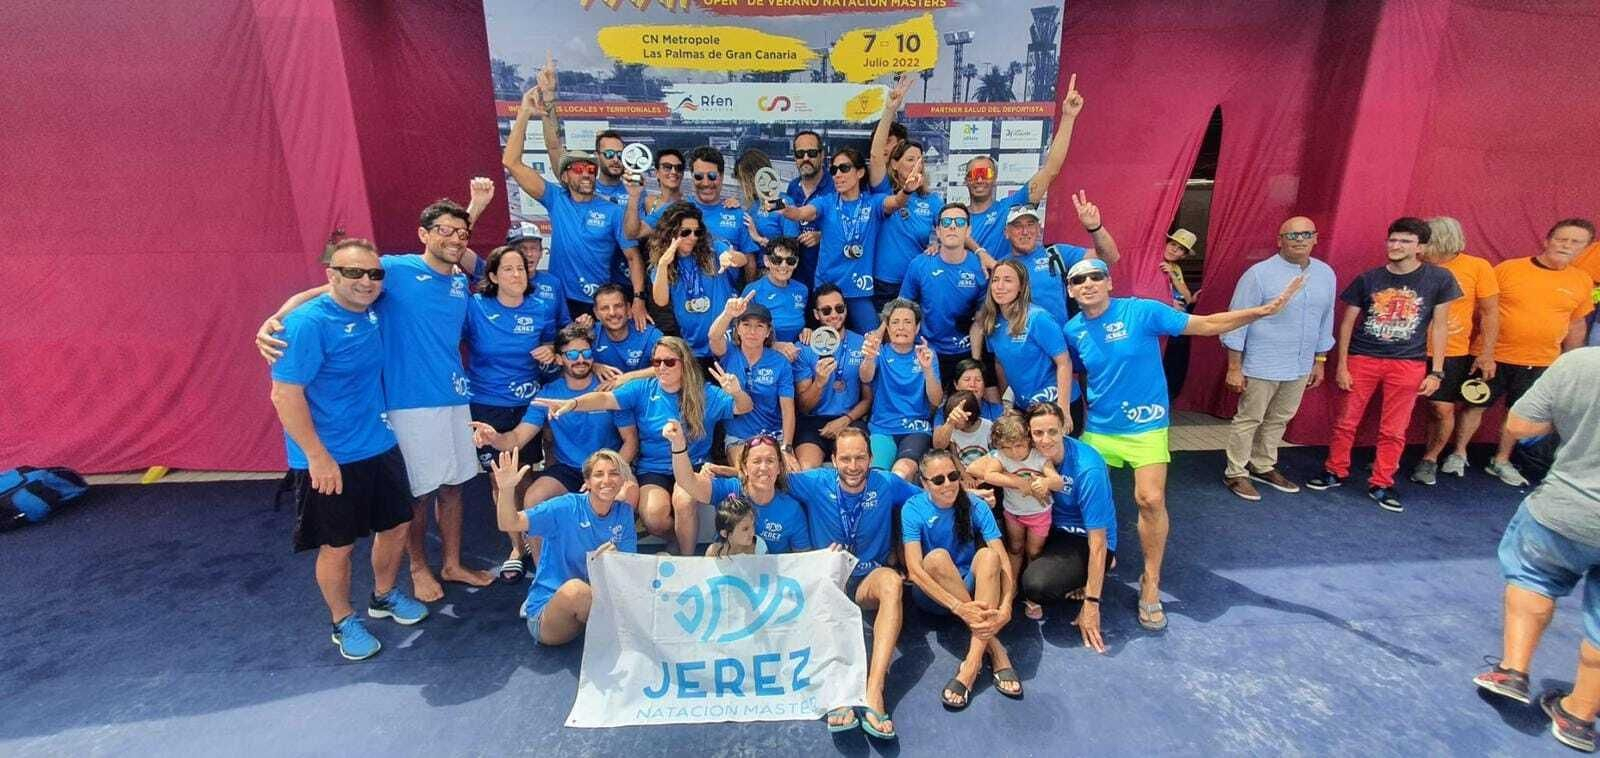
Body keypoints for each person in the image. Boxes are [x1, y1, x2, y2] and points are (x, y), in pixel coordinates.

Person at [256, 200, 497, 601]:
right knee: (416, 496)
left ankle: (452, 565)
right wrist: (273, 320)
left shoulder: (459, 279)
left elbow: (482, 263)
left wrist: (474, 210)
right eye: (443, 230)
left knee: (454, 487)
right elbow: (320, 292)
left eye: (461, 233)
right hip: (409, 403)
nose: (454, 238)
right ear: (423, 234)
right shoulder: (395, 269)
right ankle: (419, 568)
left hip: (454, 395)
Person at [1066, 256, 1303, 631]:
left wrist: (1263, 310)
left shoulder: (1142, 312)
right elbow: (1077, 372)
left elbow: (1207, 325)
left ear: (1109, 282)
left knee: (1150, 499)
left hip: (1146, 427)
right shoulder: (1073, 329)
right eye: (1079, 280)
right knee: (1080, 496)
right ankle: (1095, 563)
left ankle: (1151, 581)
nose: (1088, 284)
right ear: (1071, 291)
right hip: (1100, 428)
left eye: (1096, 277)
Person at [268, 238, 426, 661]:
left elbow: (341, 290)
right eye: (353, 272)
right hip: (329, 457)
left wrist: (285, 304)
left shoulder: (369, 307)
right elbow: (284, 396)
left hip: (378, 443)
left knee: (395, 526)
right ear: (331, 274)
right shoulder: (306, 325)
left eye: (374, 273)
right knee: (338, 545)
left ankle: (385, 595)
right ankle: (342, 620)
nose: (366, 281)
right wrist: (317, 456)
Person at [1474, 348, 1600, 753]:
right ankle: (1579, 715)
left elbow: (1522, 424)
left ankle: (1513, 671)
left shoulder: (1581, 364)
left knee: (1534, 577)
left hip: (1565, 510)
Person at [536, 336, 751, 556]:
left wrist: (736, 392)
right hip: (654, 468)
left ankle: (686, 561)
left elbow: (743, 408)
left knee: (684, 502)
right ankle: (677, 540)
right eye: (656, 362)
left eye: (669, 362)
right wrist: (573, 403)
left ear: (684, 363)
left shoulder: (704, 393)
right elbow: (604, 399)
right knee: (653, 517)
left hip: (693, 465)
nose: (662, 367)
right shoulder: (643, 389)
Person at [1305, 218, 1460, 511]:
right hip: (1363, 359)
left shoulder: (1440, 279)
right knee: (1346, 421)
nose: (1396, 246)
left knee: (1394, 430)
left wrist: (1436, 371)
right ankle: (1335, 470)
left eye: (1405, 241)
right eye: (1393, 240)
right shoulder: (1369, 279)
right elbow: (1348, 322)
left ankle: (1382, 481)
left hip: (1408, 363)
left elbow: (1439, 327)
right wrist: (1342, 365)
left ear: (1421, 247)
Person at [471, 323, 640, 582]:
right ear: (560, 359)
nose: (580, 359)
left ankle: (620, 576)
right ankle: (545, 579)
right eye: (572, 355)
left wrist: (615, 473)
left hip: (608, 468)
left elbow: (630, 442)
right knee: (533, 498)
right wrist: (495, 438)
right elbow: (517, 437)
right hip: (569, 469)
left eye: (585, 353)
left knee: (627, 494)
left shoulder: (609, 389)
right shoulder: (548, 394)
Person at [787, 428, 921, 739]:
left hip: (865, 582)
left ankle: (874, 693)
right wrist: (722, 470)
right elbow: (762, 480)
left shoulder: (885, 483)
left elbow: (932, 497)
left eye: (860, 457)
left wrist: (973, 494)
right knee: (820, 587)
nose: (853, 465)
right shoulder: (813, 482)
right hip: (828, 582)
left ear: (871, 459)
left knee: (891, 582)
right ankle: (838, 696)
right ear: (832, 460)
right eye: (845, 458)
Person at [502, 84, 645, 323]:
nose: (587, 173)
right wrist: (524, 112)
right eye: (578, 169)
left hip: (599, 303)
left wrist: (639, 300)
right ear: (565, 176)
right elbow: (511, 162)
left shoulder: (613, 211)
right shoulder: (555, 198)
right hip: (561, 300)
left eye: (591, 168)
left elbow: (633, 257)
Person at [463, 245, 564, 580]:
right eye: (507, 269)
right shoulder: (475, 307)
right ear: (492, 276)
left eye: (521, 268)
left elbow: (553, 349)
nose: (516, 274)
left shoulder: (541, 306)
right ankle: (516, 547)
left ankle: (535, 541)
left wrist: (552, 351)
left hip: (529, 404)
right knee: (499, 479)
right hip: (489, 403)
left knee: (529, 478)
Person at [1471, 218, 1596, 488]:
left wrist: (1569, 364)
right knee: (1474, 405)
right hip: (1495, 355)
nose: (1567, 245)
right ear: (1547, 240)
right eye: (1562, 239)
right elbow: (1484, 309)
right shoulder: (1509, 269)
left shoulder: (1582, 281)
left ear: (1585, 248)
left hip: (1541, 360)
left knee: (1519, 412)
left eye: (1576, 242)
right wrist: (1485, 350)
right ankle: (1457, 454)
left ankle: (1501, 460)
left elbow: (1576, 324)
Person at [1219, 216, 1337, 501]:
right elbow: (1237, 320)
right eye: (1292, 235)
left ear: (1315, 239)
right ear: (1279, 240)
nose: (1299, 240)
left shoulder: (1325, 274)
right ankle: (1235, 472)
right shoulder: (1259, 274)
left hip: (1300, 363)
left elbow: (1326, 318)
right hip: (1262, 361)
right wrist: (1234, 367)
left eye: (1306, 234)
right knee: (1250, 418)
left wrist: (1319, 360)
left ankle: (1263, 464)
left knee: (1280, 418)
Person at [900, 449, 1019, 710]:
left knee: (988, 556)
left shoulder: (976, 506)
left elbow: (1002, 558)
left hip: (969, 589)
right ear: (924, 483)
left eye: (953, 476)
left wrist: (1007, 605)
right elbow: (915, 570)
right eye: (938, 480)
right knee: (937, 558)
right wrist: (958, 607)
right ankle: (996, 649)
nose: (948, 484)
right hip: (935, 596)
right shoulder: (913, 509)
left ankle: (971, 664)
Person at [492, 447, 636, 646]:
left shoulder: (624, 512)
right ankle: (629, 644)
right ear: (586, 482)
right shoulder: (564, 507)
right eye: (598, 474)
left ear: (622, 480)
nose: (607, 480)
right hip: (548, 615)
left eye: (614, 473)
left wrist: (617, 556)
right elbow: (510, 523)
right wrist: (506, 490)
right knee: (576, 591)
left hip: (596, 604)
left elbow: (629, 568)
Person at [1018, 404, 1116, 653]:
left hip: (1080, 535)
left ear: (1064, 429)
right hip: (1047, 523)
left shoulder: (1087, 467)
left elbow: (1098, 541)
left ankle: (1097, 572)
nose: (1045, 440)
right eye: (1038, 433)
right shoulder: (1026, 452)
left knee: (1036, 585)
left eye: (1052, 431)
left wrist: (1092, 603)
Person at [1411, 216, 1499, 485]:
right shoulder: (1416, 264)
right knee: (1400, 405)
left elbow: (1490, 313)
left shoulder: (1477, 267)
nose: (1421, 249)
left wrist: (1486, 352)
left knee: (1441, 408)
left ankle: (1430, 459)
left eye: (1427, 243)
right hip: (1409, 348)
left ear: (1443, 242)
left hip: (1451, 351)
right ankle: (1388, 454)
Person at [965, 74, 1085, 259]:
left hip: (1003, 286)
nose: (980, 178)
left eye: (985, 172)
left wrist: (1068, 117)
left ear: (995, 178)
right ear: (966, 179)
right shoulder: (955, 217)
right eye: (974, 173)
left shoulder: (1011, 207)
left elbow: (1050, 170)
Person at [776, 147, 890, 332]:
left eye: (844, 168)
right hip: (827, 288)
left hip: (858, 289)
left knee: (872, 339)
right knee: (826, 342)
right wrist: (782, 208)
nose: (837, 174)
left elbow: (895, 202)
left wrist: (907, 191)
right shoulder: (826, 201)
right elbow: (800, 213)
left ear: (860, 172)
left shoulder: (873, 202)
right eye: (833, 170)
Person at [967, 414, 1061, 620]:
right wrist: (1020, 483)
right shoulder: (1001, 456)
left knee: (1034, 551)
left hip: (1039, 514)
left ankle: (1032, 592)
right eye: (1007, 448)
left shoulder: (1038, 457)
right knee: (1015, 547)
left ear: (1027, 440)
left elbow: (1058, 481)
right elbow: (989, 475)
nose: (1013, 453)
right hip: (1013, 512)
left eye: (1018, 446)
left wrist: (1045, 483)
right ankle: (1013, 586)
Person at [667, 423, 812, 554]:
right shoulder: (731, 489)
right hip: (730, 578)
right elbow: (687, 482)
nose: (763, 468)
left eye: (770, 461)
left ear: (780, 467)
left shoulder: (792, 510)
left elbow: (801, 561)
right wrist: (678, 444)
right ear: (744, 467)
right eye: (756, 461)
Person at [869, 77, 940, 311]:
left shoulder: (933, 201)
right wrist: (890, 108)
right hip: (883, 285)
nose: (916, 165)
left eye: (921, 161)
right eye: (910, 159)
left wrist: (940, 244)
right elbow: (877, 154)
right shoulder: (882, 189)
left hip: (918, 283)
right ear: (895, 164)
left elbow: (953, 230)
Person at [973, 258, 1074, 421]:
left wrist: (1064, 410)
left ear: (1021, 287)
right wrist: (1007, 402)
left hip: (1054, 404)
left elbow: (1064, 362)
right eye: (996, 280)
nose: (1000, 286)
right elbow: (1000, 363)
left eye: (1008, 280)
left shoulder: (1037, 318)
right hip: (1024, 406)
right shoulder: (993, 322)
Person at [648, 202, 747, 362]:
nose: (693, 237)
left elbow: (742, 259)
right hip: (693, 348)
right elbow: (661, 301)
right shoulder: (662, 264)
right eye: (686, 232)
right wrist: (663, 265)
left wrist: (730, 257)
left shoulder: (712, 248)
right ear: (671, 233)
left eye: (697, 232)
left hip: (725, 343)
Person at [900, 202, 988, 381]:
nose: (953, 226)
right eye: (946, 222)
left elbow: (980, 321)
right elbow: (902, 308)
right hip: (927, 351)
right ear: (938, 231)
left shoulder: (980, 268)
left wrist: (975, 363)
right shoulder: (920, 264)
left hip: (964, 352)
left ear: (968, 230)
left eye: (960, 222)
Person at [997, 198, 1118, 323]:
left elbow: (1109, 257)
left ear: (1039, 229)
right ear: (1006, 232)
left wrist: (1095, 228)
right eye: (1018, 226)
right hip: (1017, 339)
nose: (1025, 231)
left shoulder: (1055, 253)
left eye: (1030, 224)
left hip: (1058, 338)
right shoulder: (1000, 266)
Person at [861, 299, 943, 479]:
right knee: (875, 477)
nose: (901, 327)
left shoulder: (927, 354)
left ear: (917, 327)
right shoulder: (879, 351)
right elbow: (865, 377)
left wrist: (928, 370)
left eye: (907, 322)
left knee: (901, 473)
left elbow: (936, 400)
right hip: (883, 427)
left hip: (916, 428)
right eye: (895, 322)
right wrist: (867, 358)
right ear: (888, 329)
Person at [793, 284, 872, 470]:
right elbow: (804, 407)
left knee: (857, 469)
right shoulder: (804, 346)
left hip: (850, 418)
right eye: (826, 311)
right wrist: (819, 383)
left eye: (839, 308)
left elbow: (868, 399)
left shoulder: (861, 344)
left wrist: (845, 420)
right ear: (816, 314)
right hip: (813, 421)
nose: (834, 314)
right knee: (806, 471)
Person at [708, 298, 796, 458]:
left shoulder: (780, 362)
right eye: (746, 325)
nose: (752, 332)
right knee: (748, 473)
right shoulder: (728, 353)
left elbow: (787, 409)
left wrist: (787, 447)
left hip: (773, 435)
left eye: (759, 326)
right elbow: (714, 337)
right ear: (737, 329)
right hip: (739, 438)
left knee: (789, 475)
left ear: (768, 332)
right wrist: (728, 313)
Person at [589, 283, 663, 387]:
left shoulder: (649, 334)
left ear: (628, 308)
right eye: (605, 308)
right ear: (596, 313)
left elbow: (671, 364)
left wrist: (628, 378)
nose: (612, 313)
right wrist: (592, 366)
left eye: (618, 306)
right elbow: (565, 360)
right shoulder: (589, 334)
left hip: (643, 395)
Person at [741, 236, 810, 344]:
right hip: (764, 352)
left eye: (790, 261)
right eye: (777, 260)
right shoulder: (753, 290)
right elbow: (742, 332)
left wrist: (807, 331)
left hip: (798, 350)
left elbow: (807, 323)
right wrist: (774, 346)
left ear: (796, 263)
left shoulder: (802, 290)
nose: (783, 266)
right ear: (766, 261)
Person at [785, 129, 830, 287]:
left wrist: (821, 235)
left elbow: (855, 227)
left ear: (822, 155)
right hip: (797, 277)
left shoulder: (837, 186)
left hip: (827, 277)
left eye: (811, 153)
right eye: (800, 154)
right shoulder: (792, 187)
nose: (806, 158)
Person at [932, 391, 994, 469]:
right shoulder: (951, 430)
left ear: (969, 414)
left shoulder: (987, 426)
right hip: (964, 472)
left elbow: (994, 453)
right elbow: (954, 456)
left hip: (986, 468)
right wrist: (965, 475)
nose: (954, 420)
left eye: (958, 416)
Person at [1161, 228, 1199, 310]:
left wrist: (1172, 275)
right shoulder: (1151, 261)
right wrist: (1168, 302)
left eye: (1181, 249)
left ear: (1183, 256)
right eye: (1173, 244)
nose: (1174, 250)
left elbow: (1188, 298)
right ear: (1165, 244)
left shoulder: (1176, 268)